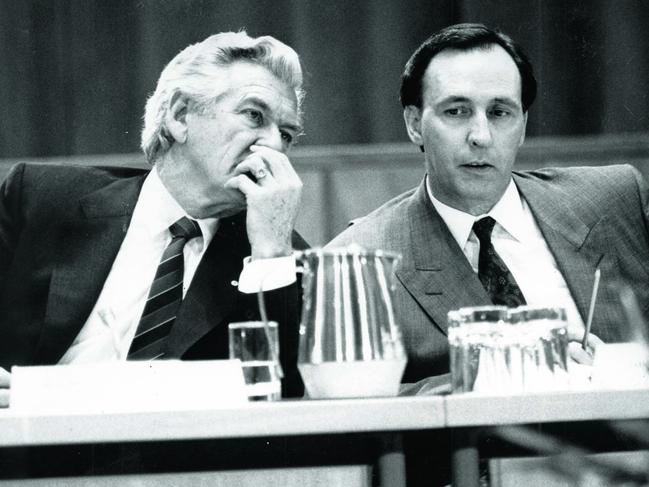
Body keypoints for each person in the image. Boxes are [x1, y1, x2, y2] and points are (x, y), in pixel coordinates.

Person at [328, 23, 649, 384]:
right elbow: (350, 408)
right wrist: (516, 370)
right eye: (457, 111)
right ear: (415, 124)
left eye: (499, 113)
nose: (481, 136)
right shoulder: (361, 257)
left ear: (523, 125)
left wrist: (615, 366)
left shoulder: (617, 198)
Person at [0, 31, 307, 406]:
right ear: (180, 116)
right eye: (254, 115)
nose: (274, 145)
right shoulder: (41, 199)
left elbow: (281, 400)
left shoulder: (278, 261)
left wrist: (271, 252)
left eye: (287, 134)